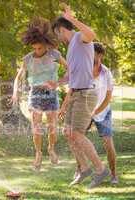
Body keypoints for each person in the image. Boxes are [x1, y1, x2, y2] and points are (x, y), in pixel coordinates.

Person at [52, 5, 109, 188]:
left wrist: (72, 18)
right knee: (68, 133)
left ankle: (100, 170)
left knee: (77, 133)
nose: (57, 38)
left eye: (56, 34)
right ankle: (84, 168)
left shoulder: (79, 37)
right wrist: (56, 83)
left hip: (86, 94)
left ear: (61, 29)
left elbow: (91, 34)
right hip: (75, 93)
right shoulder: (70, 49)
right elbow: (71, 76)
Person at [11, 17, 68, 171]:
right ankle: (38, 153)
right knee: (36, 127)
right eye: (34, 48)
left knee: (52, 128)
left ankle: (51, 149)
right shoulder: (28, 58)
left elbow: (70, 69)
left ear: (46, 45)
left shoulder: (54, 54)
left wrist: (59, 82)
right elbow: (19, 76)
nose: (37, 51)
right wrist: (16, 91)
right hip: (35, 94)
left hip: (51, 94)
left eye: (39, 49)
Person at [60, 42, 118, 184]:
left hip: (102, 112)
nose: (94, 57)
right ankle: (81, 170)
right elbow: (72, 89)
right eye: (91, 54)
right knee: (75, 137)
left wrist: (95, 111)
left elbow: (108, 97)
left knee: (108, 144)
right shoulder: (83, 70)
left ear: (101, 56)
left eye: (97, 55)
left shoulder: (106, 73)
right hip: (84, 109)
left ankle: (113, 175)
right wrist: (64, 106)